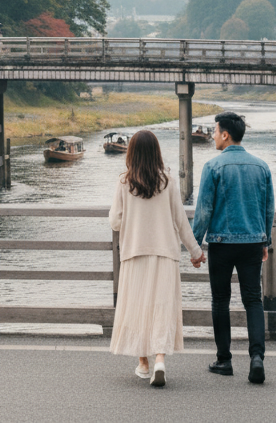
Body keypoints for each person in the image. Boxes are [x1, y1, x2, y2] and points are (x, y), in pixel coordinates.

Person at [109, 129, 206, 387]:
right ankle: (160, 359)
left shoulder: (124, 182)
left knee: (138, 307)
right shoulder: (168, 182)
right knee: (162, 307)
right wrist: (196, 253)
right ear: (156, 153)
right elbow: (181, 222)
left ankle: (143, 363)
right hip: (164, 254)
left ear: (131, 153)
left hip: (134, 253)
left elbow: (115, 221)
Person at [191, 111, 275, 384]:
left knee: (220, 300)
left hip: (221, 243)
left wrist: (195, 245)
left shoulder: (213, 167)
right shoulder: (261, 167)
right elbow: (268, 208)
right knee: (252, 299)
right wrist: (265, 241)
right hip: (252, 241)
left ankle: (224, 360)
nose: (213, 136)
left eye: (215, 131)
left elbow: (204, 210)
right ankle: (256, 358)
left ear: (225, 134)